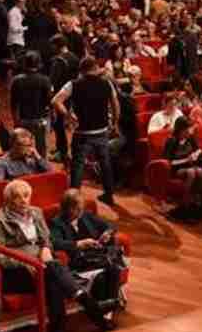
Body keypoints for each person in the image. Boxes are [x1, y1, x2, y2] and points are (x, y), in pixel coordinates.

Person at [0, 180, 112, 332]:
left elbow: (47, 240)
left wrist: (45, 248)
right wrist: (23, 262)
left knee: (53, 279)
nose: (24, 200)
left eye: (26, 196)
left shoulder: (36, 213)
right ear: (8, 200)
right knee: (54, 270)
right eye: (17, 197)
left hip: (43, 268)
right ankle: (91, 307)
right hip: (18, 273)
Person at [53, 56, 118, 208]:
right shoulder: (106, 83)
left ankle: (74, 201)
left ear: (81, 70)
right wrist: (114, 122)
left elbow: (56, 101)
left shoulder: (73, 84)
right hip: (102, 132)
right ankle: (109, 195)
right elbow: (115, 104)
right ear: (95, 67)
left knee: (78, 166)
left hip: (82, 133)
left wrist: (68, 115)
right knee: (105, 164)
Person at [49, 189, 127, 314]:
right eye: (76, 209)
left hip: (95, 256)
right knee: (109, 271)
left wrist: (106, 234)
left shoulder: (86, 215)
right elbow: (55, 243)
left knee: (113, 270)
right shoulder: (56, 223)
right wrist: (78, 244)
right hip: (78, 262)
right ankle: (105, 311)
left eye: (81, 208)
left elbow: (110, 226)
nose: (80, 212)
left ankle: (108, 311)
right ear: (67, 208)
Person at [9, 52, 53, 158]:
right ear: (39, 64)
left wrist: (16, 121)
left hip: (23, 120)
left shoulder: (16, 80)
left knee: (24, 148)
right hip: (40, 120)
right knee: (41, 149)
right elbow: (49, 102)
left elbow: (13, 104)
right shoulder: (45, 80)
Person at [163, 117, 202, 219]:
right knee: (191, 172)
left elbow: (199, 150)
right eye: (188, 129)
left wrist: (195, 154)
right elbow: (169, 161)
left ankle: (197, 203)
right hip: (177, 168)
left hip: (191, 165)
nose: (190, 131)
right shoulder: (171, 141)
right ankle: (185, 204)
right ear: (181, 129)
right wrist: (186, 160)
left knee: (200, 171)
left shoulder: (190, 138)